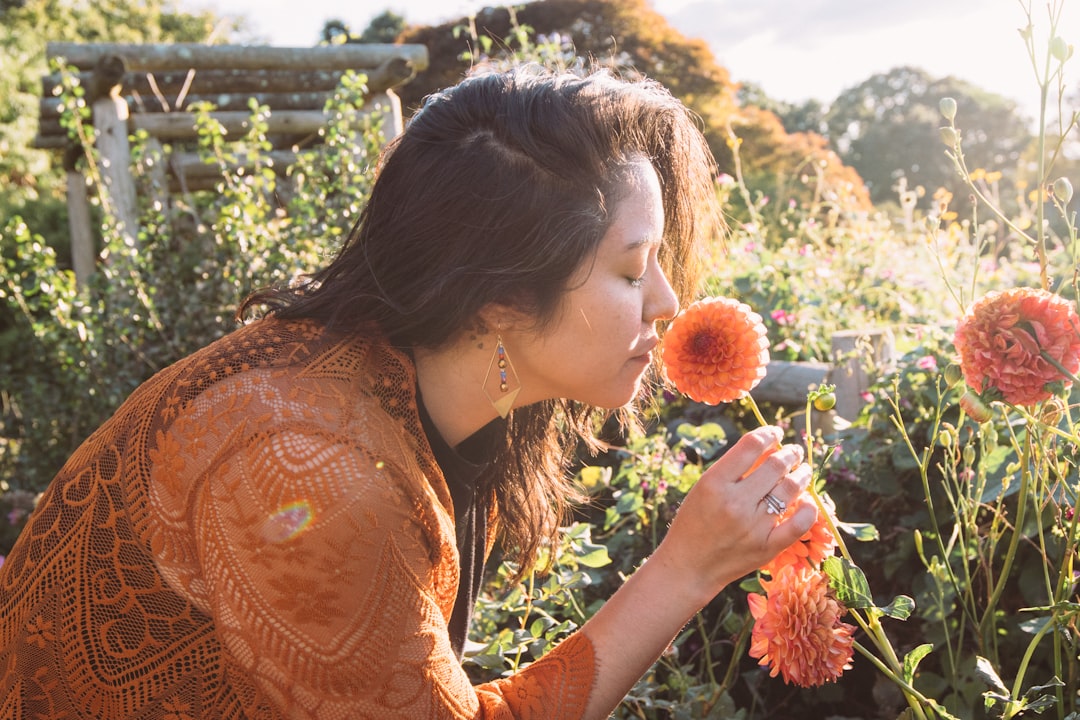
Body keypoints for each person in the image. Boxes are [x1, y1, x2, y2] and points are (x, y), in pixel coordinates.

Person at [0, 64, 815, 719]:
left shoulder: (427, 398)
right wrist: (685, 569)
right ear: (497, 297)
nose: (670, 302)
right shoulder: (310, 475)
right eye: (633, 269)